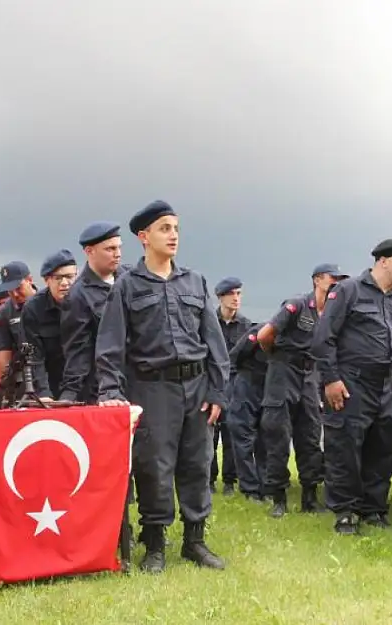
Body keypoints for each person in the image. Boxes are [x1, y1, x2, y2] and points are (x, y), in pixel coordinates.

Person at [95, 200, 229, 573]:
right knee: (154, 466)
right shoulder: (126, 287)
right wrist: (111, 393)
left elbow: (214, 342)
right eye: (164, 228)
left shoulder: (195, 282)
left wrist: (218, 391)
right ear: (144, 237)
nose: (173, 235)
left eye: (175, 228)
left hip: (196, 388)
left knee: (198, 463)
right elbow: (110, 346)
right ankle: (154, 543)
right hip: (151, 389)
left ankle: (195, 541)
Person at [312, 239, 392, 534]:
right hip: (351, 381)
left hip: (387, 384)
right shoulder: (348, 290)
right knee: (345, 447)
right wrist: (330, 379)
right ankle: (345, 511)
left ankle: (374, 509)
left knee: (382, 446)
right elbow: (323, 338)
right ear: (383, 261)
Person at [256, 263, 346, 518]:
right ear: (317, 280)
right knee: (278, 435)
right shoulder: (296, 305)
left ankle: (309, 497)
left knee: (310, 434)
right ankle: (278, 498)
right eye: (332, 279)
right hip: (283, 370)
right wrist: (277, 357)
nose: (335, 284)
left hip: (311, 375)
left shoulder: (331, 313)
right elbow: (264, 335)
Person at [59, 221, 125, 404]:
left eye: (119, 247)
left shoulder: (129, 280)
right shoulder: (78, 296)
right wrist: (70, 394)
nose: (117, 254)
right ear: (90, 251)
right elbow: (78, 352)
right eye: (110, 249)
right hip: (102, 390)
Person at [0, 261, 51, 404]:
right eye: (10, 291)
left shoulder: (47, 302)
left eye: (18, 288)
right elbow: (4, 356)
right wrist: (2, 394)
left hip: (52, 375)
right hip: (25, 381)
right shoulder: (5, 313)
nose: (15, 294)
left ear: (30, 280)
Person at [212, 276, 250, 496]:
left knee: (231, 434)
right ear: (221, 297)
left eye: (239, 294)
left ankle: (229, 480)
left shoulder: (245, 325)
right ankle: (208, 480)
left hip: (235, 385)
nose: (236, 299)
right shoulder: (209, 321)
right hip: (212, 384)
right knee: (209, 436)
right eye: (231, 294)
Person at [22, 250, 77, 397]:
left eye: (70, 277)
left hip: (85, 382)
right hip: (52, 380)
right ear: (47, 280)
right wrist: (44, 394)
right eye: (58, 278)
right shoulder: (33, 309)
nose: (65, 283)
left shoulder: (87, 300)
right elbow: (36, 357)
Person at [226, 322, 271, 502]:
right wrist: (233, 387)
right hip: (247, 382)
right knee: (243, 436)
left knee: (266, 438)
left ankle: (265, 487)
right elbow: (234, 358)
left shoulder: (292, 339)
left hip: (269, 385)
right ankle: (250, 489)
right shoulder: (258, 332)